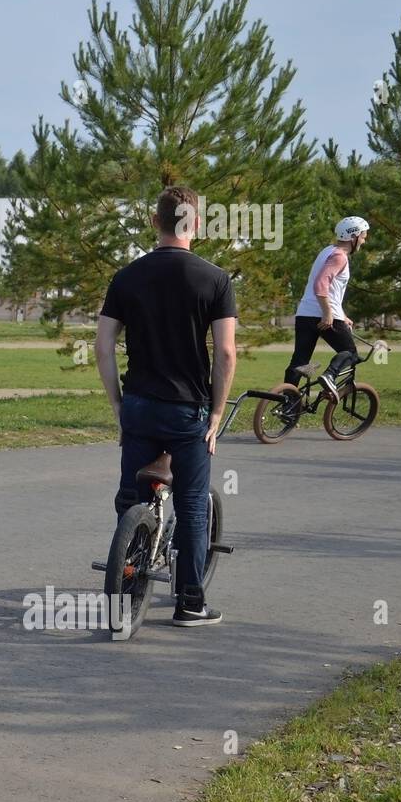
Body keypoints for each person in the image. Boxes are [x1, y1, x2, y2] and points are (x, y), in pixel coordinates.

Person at [95, 186, 237, 627]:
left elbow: (103, 345)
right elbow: (227, 353)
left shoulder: (126, 277)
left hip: (139, 403)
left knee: (132, 495)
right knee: (193, 502)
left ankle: (128, 574)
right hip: (187, 409)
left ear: (155, 223)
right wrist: (215, 414)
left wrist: (119, 404)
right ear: (196, 224)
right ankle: (190, 603)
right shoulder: (215, 279)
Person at [284, 216, 370, 400]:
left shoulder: (327, 251)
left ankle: (286, 405)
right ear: (353, 236)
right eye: (363, 235)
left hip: (305, 314)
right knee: (351, 354)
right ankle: (329, 376)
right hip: (323, 315)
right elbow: (321, 285)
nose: (364, 239)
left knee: (299, 361)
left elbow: (333, 290)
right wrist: (328, 313)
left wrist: (343, 315)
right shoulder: (340, 256)